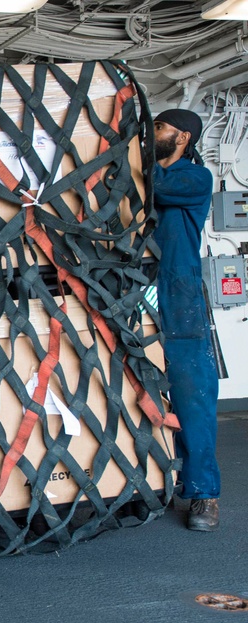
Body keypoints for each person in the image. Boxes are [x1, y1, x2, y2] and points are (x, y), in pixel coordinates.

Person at [152, 108, 221, 531]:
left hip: (178, 296)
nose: (151, 133)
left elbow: (149, 187)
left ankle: (204, 494)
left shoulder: (194, 178)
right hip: (133, 291)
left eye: (159, 127)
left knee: (191, 395)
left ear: (182, 137)